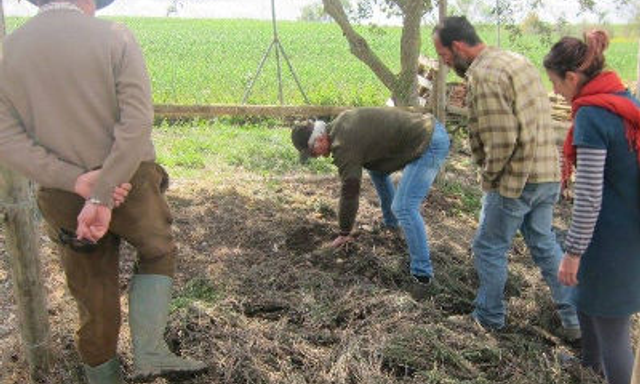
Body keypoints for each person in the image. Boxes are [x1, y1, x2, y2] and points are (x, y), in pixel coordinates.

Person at [0, 0, 207, 382]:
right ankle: (150, 351)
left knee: (91, 292)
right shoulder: (114, 36)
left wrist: (77, 182)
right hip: (130, 182)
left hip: (62, 196)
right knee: (157, 250)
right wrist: (104, 188)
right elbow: (137, 120)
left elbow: (7, 140)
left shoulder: (8, 52)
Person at [432, 16, 579, 337]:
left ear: (458, 47)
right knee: (543, 242)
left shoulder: (484, 75)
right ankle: (574, 318)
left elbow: (501, 142)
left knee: (488, 247)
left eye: (444, 56)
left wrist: (489, 179)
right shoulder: (516, 61)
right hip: (546, 173)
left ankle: (488, 318)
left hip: (516, 180)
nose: (445, 62)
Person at [545, 30, 640, 384]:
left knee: (613, 330)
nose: (555, 91)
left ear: (572, 78)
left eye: (555, 83)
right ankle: (589, 365)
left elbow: (588, 196)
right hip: (624, 230)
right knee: (586, 298)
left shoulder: (592, 116)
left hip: (610, 238)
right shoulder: (623, 100)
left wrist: (573, 251)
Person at [291, 107, 450, 286]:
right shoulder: (339, 126)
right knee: (376, 170)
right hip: (426, 132)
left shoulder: (344, 144)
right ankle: (391, 224)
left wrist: (344, 231)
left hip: (429, 142)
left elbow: (350, 190)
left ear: (319, 139)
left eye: (312, 152)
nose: (315, 157)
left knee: (404, 207)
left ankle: (423, 277)